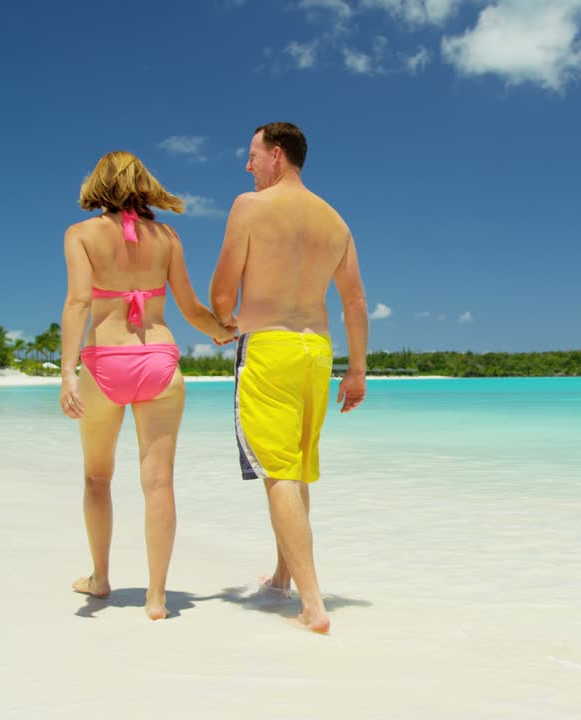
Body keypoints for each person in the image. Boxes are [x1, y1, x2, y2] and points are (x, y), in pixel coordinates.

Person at [60, 151, 236, 620]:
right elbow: (191, 307)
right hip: (160, 360)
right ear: (143, 184)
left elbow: (78, 302)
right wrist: (221, 329)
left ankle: (100, 579)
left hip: (103, 363)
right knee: (159, 483)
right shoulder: (168, 237)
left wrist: (65, 373)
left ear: (97, 183)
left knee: (97, 477)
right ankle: (156, 598)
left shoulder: (80, 236)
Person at [210, 122, 368, 634]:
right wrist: (357, 370)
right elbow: (354, 302)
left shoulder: (249, 207)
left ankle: (312, 603)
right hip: (316, 353)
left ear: (276, 155)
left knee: (277, 473)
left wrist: (224, 321)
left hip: (270, 347)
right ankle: (281, 576)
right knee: (294, 467)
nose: (247, 166)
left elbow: (221, 292)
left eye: (252, 155)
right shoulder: (336, 221)